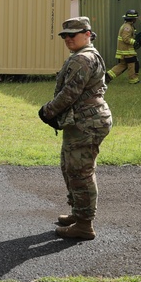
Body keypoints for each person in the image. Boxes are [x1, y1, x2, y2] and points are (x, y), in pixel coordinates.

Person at [38, 17, 112, 240]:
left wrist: (47, 111)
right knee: (70, 168)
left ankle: (84, 225)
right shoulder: (85, 55)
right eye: (65, 35)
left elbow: (70, 94)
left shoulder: (83, 59)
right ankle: (78, 212)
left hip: (87, 122)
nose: (68, 38)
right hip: (82, 121)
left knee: (80, 173)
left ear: (88, 34)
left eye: (73, 34)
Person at [106, 9, 141, 84]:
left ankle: (107, 77)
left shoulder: (128, 26)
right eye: (135, 18)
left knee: (122, 65)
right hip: (127, 51)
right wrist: (135, 42)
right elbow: (126, 38)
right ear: (132, 19)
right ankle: (133, 80)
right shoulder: (127, 27)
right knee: (133, 64)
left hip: (125, 51)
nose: (136, 20)